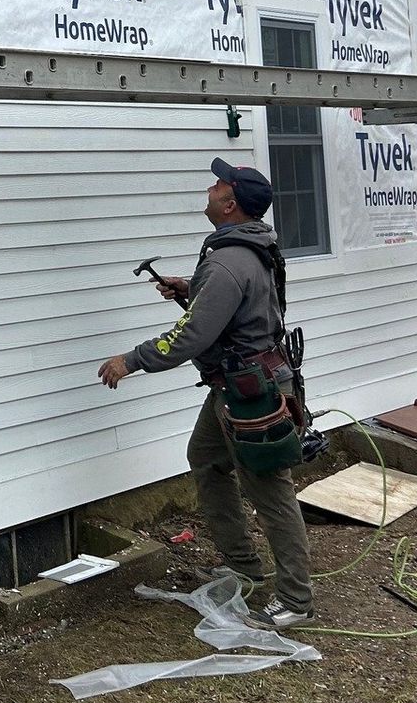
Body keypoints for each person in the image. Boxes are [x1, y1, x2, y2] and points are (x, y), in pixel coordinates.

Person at [96, 157, 314, 628]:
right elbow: (236, 300)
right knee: (207, 457)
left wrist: (130, 360)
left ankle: (295, 601)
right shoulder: (248, 248)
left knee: (272, 492)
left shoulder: (230, 261)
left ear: (230, 203)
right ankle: (244, 567)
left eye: (219, 184)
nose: (211, 187)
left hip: (250, 395)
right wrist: (189, 286)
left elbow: (191, 336)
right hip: (237, 387)